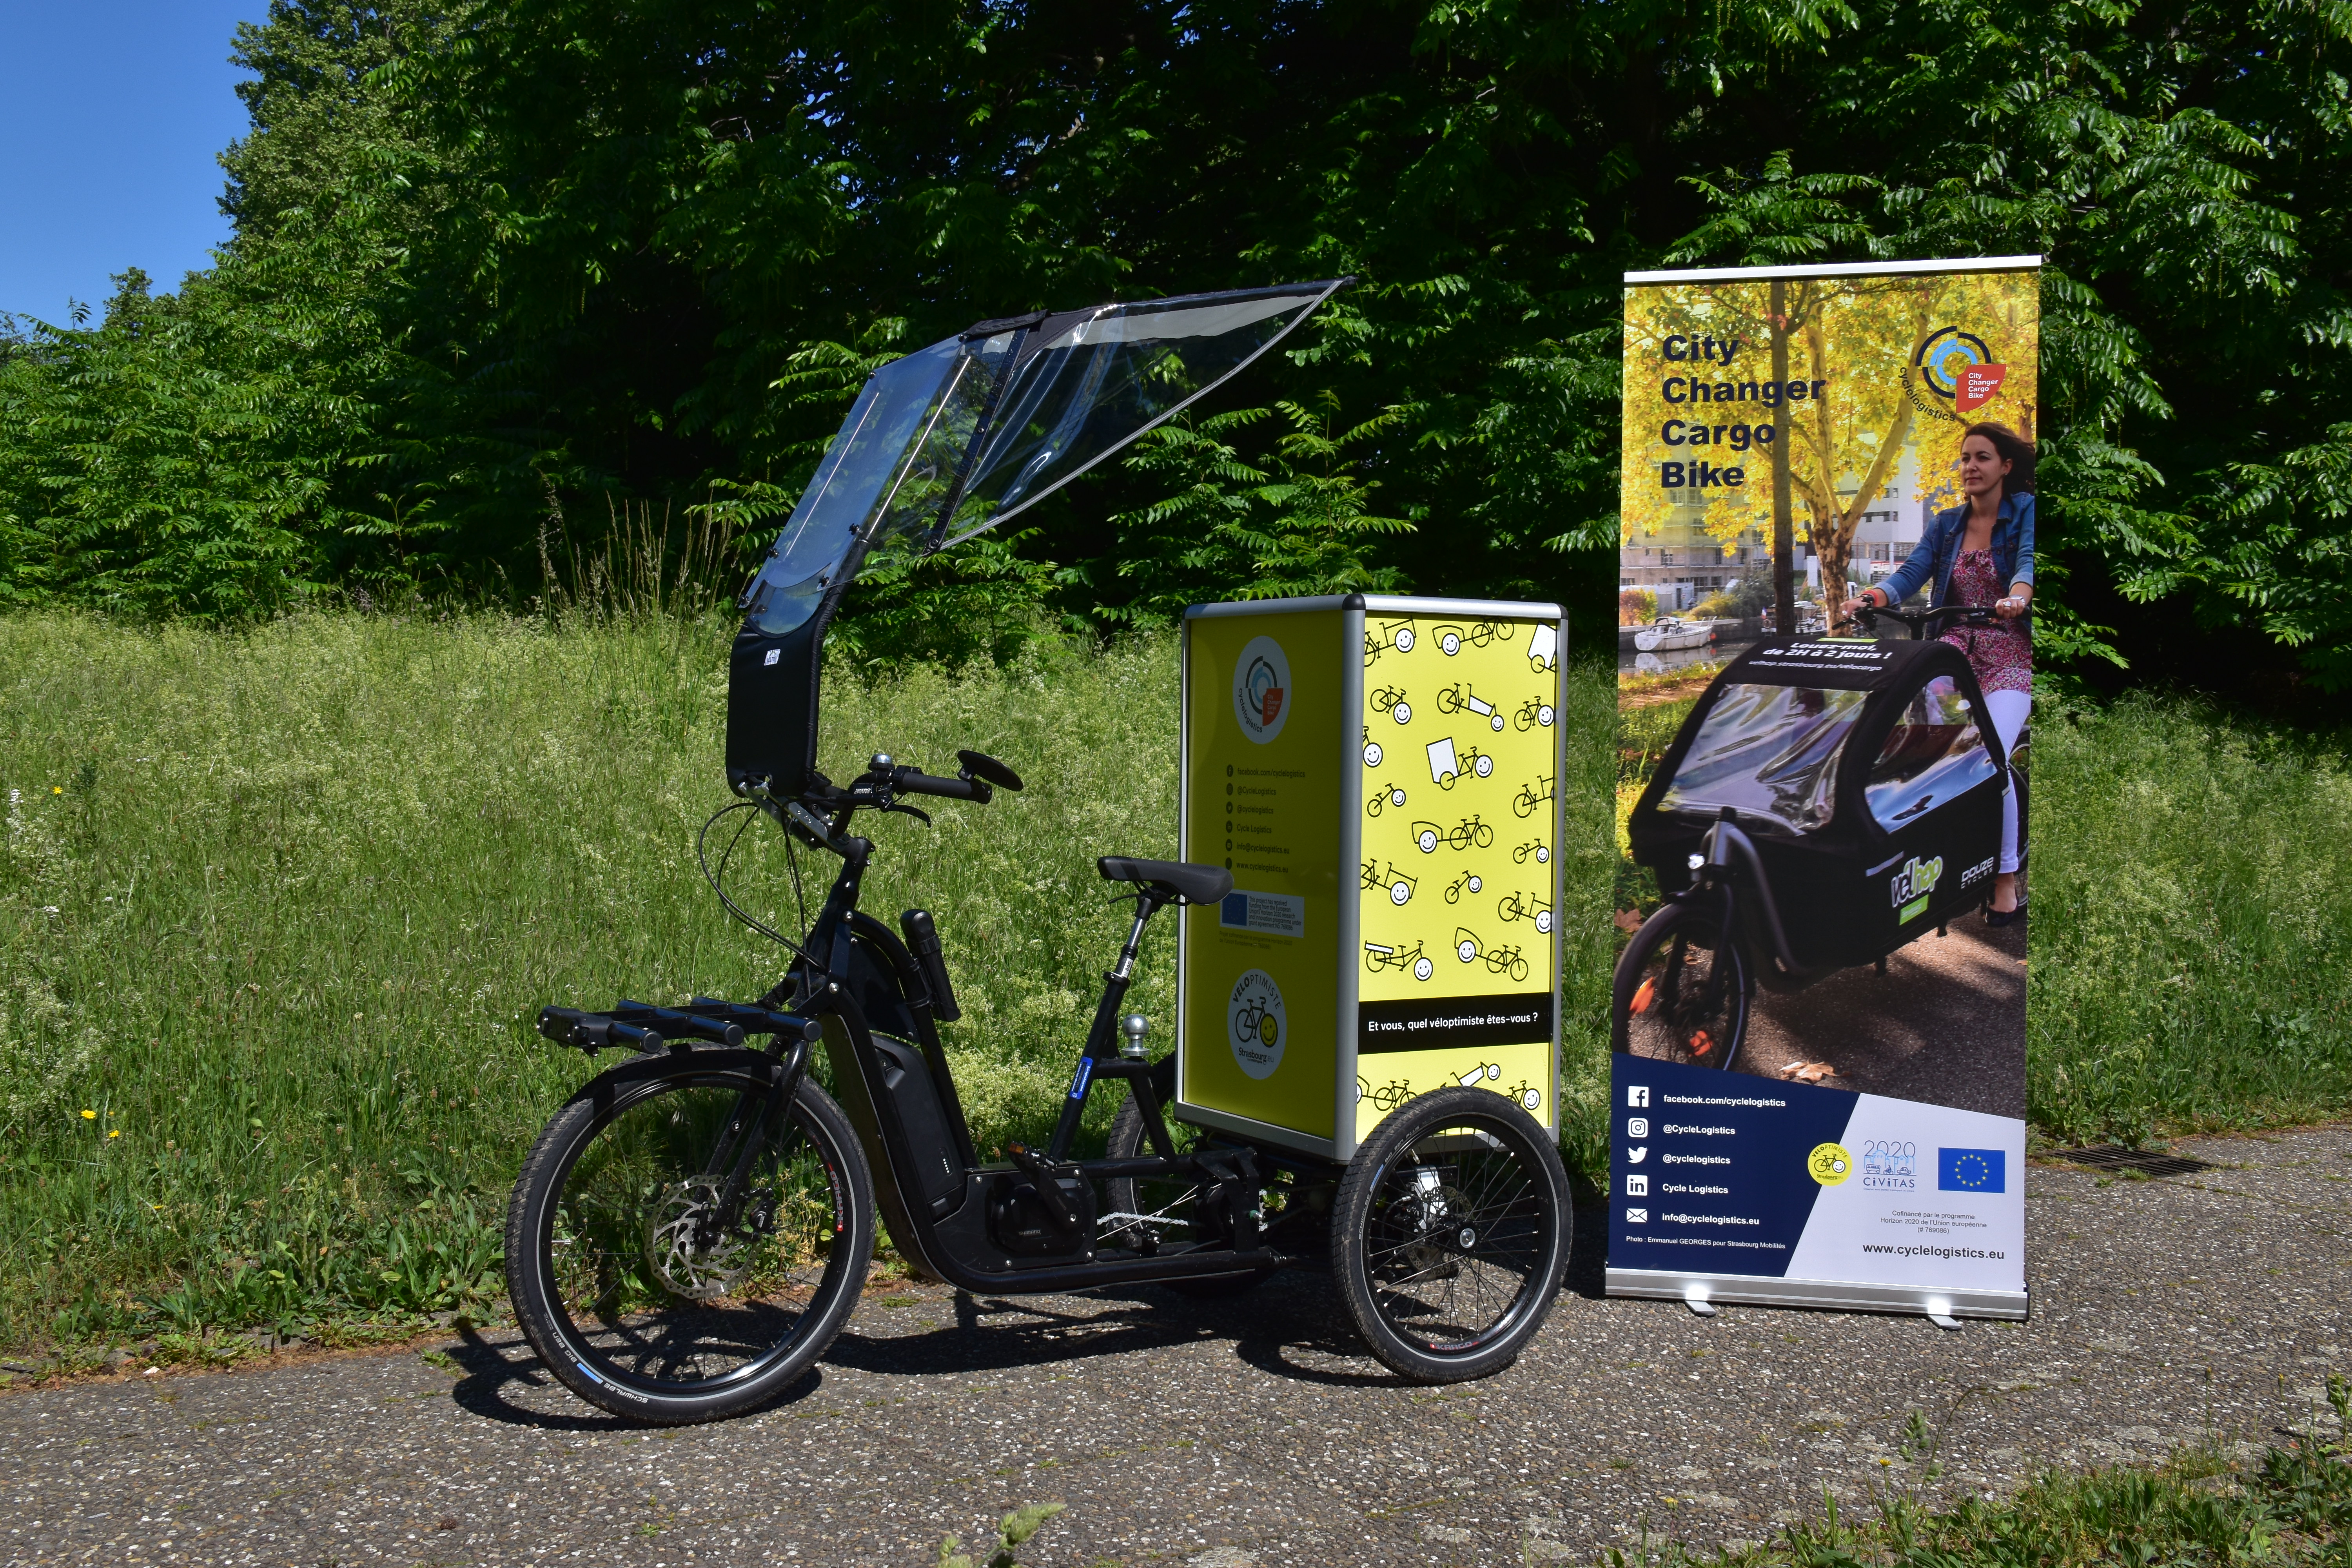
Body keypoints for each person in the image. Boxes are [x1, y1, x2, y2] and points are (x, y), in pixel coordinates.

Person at [1841, 422, 2034, 924]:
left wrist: (2018, 598)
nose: (1971, 466)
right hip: (1951, 653)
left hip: (2009, 653)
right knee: (1929, 756)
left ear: (2005, 467)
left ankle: (2007, 879)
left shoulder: (2026, 512)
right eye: (1965, 458)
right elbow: (1911, 574)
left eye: (1983, 457)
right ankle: (1933, 861)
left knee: (1990, 758)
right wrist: (1872, 597)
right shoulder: (1946, 523)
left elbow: (2028, 563)